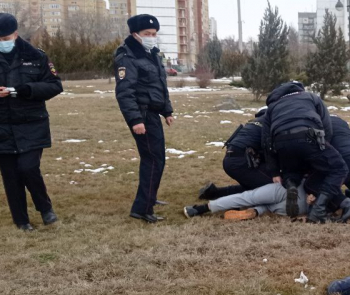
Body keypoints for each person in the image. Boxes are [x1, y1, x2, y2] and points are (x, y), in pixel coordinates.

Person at [0, 13, 62, 232]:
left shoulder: (36, 55)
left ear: (15, 34)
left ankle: (45, 208)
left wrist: (27, 90)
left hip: (32, 123)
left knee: (29, 168)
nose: (1, 43)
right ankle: (21, 219)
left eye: (6, 38)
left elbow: (54, 85)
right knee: (11, 175)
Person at [262, 82, 350, 223]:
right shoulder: (311, 97)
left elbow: (266, 140)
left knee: (292, 170)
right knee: (339, 168)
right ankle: (318, 210)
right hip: (308, 135)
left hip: (281, 142)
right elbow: (327, 125)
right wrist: (323, 146)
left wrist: (274, 171)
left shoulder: (272, 107)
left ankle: (291, 184)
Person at [114, 14, 174, 223]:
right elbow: (125, 92)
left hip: (153, 114)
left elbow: (159, 85)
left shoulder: (152, 54)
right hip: (142, 115)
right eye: (147, 34)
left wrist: (167, 111)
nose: (151, 37)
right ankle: (142, 208)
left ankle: (150, 197)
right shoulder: (127, 56)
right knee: (153, 160)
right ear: (135, 34)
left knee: (157, 159)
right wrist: (135, 121)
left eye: (154, 34)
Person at [198, 109, 274, 200]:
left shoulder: (256, 121)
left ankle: (214, 193)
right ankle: (225, 202)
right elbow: (270, 150)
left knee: (254, 184)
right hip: (243, 161)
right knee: (272, 187)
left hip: (231, 158)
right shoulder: (271, 123)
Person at [184, 182, 310, 220]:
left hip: (291, 188)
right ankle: (254, 211)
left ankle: (200, 209)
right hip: (303, 206)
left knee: (248, 197)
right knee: (269, 207)